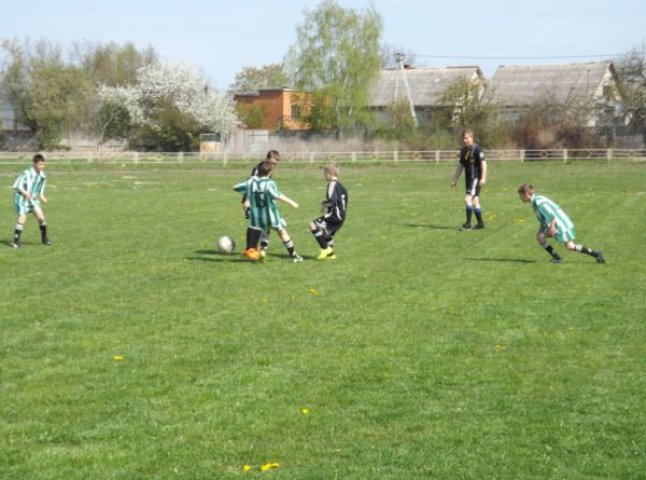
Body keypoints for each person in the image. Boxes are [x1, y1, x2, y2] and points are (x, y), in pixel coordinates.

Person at [517, 183, 605, 264]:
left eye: (521, 196)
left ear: (526, 194)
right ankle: (557, 258)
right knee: (541, 237)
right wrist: (541, 229)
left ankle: (596, 254)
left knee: (570, 246)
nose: (520, 198)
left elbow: (553, 214)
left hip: (561, 225)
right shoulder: (536, 201)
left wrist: (552, 227)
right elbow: (543, 218)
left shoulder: (538, 202)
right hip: (557, 224)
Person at [233, 161, 303, 262]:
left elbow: (236, 187)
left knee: (264, 231)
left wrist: (249, 188)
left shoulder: (250, 182)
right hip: (271, 216)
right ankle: (294, 255)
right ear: (269, 173)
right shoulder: (269, 183)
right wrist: (292, 202)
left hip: (257, 218)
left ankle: (262, 252)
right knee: (282, 232)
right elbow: (276, 195)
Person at [242, 150, 280, 253]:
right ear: (268, 158)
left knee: (262, 224)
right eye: (272, 162)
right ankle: (250, 249)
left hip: (261, 201)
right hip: (252, 200)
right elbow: (251, 183)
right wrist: (247, 200)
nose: (274, 165)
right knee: (255, 224)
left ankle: (258, 248)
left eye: (275, 163)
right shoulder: (258, 168)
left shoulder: (269, 169)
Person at [10, 153, 52, 248]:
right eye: (40, 164)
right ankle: (15, 241)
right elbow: (17, 185)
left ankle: (44, 239)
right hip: (21, 198)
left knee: (41, 218)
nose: (42, 166)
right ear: (34, 164)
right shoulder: (26, 173)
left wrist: (42, 196)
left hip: (32, 199)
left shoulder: (42, 176)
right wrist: (25, 193)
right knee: (22, 218)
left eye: (43, 164)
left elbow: (40, 189)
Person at [309, 163, 348, 260]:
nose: (324, 175)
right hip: (341, 216)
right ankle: (331, 255)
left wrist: (323, 205)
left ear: (331, 173)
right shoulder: (341, 186)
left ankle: (325, 249)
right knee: (326, 233)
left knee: (312, 225)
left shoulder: (332, 184)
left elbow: (332, 200)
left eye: (325, 173)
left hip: (334, 215)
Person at [451, 129, 487, 230]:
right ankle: (480, 224)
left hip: (475, 179)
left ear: (471, 138)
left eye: (466, 138)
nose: (464, 140)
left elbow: (484, 164)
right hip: (469, 180)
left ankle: (467, 224)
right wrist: (454, 179)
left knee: (467, 199)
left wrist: (483, 178)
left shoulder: (477, 149)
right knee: (475, 200)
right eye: (463, 138)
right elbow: (460, 166)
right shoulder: (463, 151)